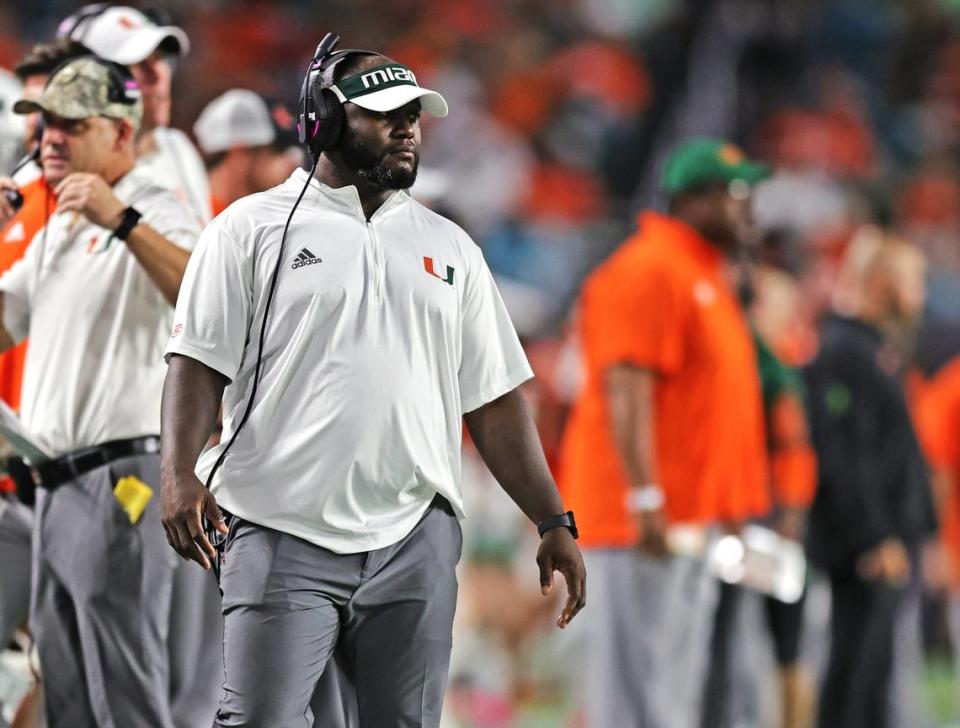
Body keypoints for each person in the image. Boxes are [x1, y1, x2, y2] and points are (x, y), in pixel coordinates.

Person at [160, 42, 586, 727]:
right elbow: (196, 362)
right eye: (385, 114)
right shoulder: (247, 230)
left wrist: (552, 518)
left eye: (414, 114)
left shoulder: (452, 248)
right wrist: (178, 472)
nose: (407, 128)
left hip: (413, 536)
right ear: (323, 122)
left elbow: (496, 399)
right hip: (278, 525)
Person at [0, 56, 199, 727]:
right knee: (66, 692)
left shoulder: (154, 201)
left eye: (71, 124)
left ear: (119, 133)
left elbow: (206, 297)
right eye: (45, 123)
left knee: (125, 687)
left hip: (123, 481)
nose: (50, 137)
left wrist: (124, 221)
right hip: (51, 487)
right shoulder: (60, 223)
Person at [559, 138, 771, 728]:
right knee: (638, 697)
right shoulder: (649, 269)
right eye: (737, 192)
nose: (750, 206)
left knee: (672, 693)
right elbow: (626, 387)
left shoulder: (702, 274)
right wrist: (645, 496)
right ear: (693, 200)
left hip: (688, 515)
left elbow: (712, 409)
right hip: (641, 521)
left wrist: (726, 506)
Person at [804, 230, 937, 728]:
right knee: (854, 672)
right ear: (882, 282)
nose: (921, 293)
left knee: (875, 676)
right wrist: (875, 535)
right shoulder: (845, 351)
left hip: (884, 538)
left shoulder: (875, 352)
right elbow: (845, 455)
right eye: (913, 280)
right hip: (864, 545)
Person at [62, 4, 212, 225]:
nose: (158, 76)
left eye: (161, 59)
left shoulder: (178, 147)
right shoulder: (63, 164)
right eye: (140, 64)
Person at [194, 89, 304, 216]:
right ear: (239, 154)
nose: (292, 163)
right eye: (278, 151)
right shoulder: (191, 220)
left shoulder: (250, 220)